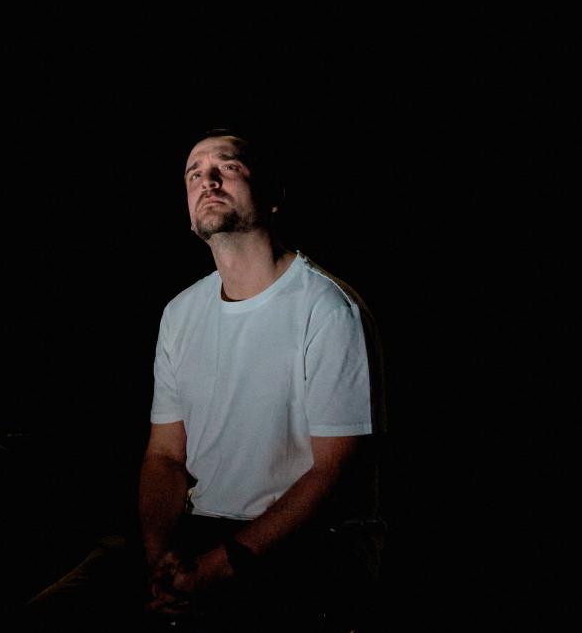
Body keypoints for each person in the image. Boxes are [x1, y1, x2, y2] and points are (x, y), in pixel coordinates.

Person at [23, 129, 387, 631]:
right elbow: (165, 456)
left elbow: (332, 474)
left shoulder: (327, 308)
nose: (207, 179)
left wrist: (217, 568)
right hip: (202, 531)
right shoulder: (180, 313)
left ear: (275, 195)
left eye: (228, 166)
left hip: (309, 543)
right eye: (193, 173)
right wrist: (162, 562)